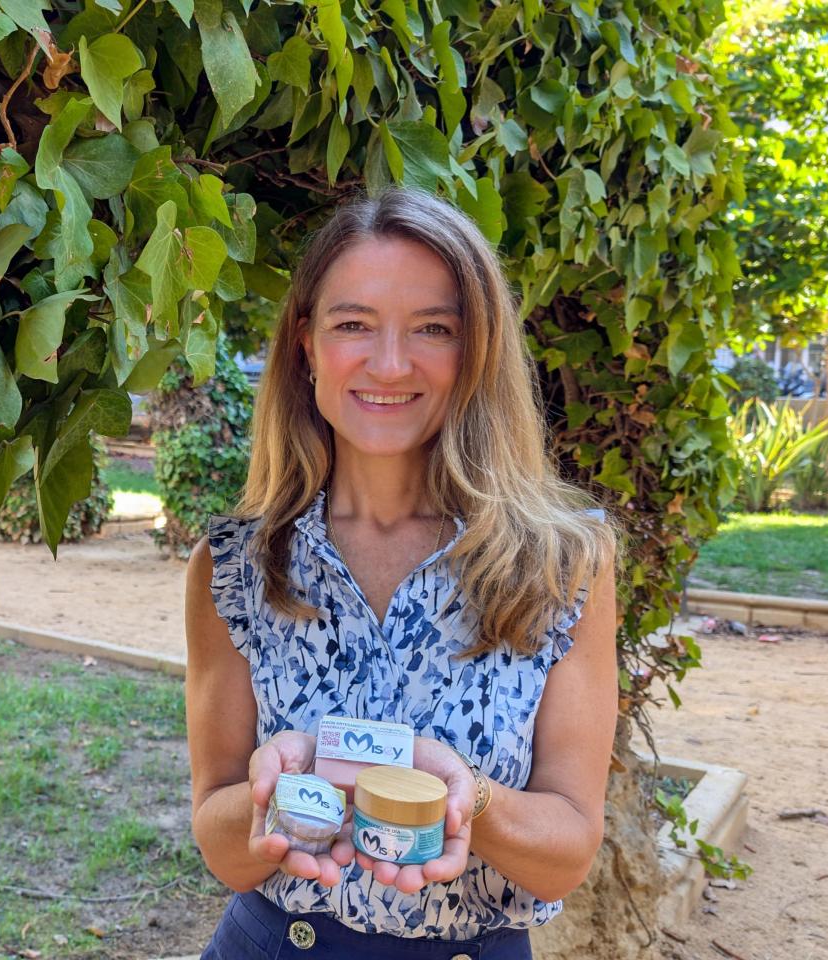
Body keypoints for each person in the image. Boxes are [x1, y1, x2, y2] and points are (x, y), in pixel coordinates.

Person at [184, 187, 620, 959]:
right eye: (353, 324)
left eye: (433, 329)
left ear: (476, 350)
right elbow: (220, 845)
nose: (389, 364)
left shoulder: (562, 562)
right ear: (305, 345)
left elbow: (571, 849)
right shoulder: (236, 569)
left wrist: (467, 796)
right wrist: (274, 795)